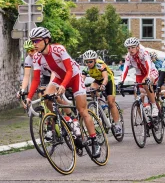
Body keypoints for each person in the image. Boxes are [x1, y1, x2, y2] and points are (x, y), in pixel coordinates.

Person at [26, 27, 101, 158]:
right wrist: (28, 97)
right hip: (58, 77)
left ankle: (95, 141)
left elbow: (69, 70)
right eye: (32, 41)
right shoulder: (37, 57)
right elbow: (36, 79)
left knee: (82, 110)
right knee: (47, 98)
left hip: (74, 76)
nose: (34, 44)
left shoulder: (59, 49)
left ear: (46, 40)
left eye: (37, 41)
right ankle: (69, 118)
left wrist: (63, 86)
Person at [81, 50, 122, 137]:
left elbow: (106, 78)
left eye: (91, 61)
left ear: (95, 60)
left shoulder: (100, 64)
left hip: (108, 80)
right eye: (86, 62)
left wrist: (103, 85)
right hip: (98, 80)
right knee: (92, 88)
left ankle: (117, 125)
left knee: (111, 102)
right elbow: (81, 81)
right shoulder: (86, 69)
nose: (89, 63)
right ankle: (98, 105)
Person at [120, 37, 159, 117]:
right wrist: (121, 81)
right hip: (139, 74)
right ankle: (145, 119)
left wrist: (148, 77)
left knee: (145, 83)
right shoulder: (128, 57)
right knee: (137, 95)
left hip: (151, 71)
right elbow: (125, 69)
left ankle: (154, 106)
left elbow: (148, 66)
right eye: (128, 48)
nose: (131, 50)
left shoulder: (144, 53)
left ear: (138, 47)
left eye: (133, 47)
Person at [17, 39, 52, 106]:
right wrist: (22, 89)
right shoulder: (28, 59)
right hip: (45, 76)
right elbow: (26, 76)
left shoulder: (43, 56)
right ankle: (45, 113)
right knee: (41, 93)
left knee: (52, 94)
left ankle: (67, 114)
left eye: (32, 50)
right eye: (28, 51)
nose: (30, 53)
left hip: (55, 74)